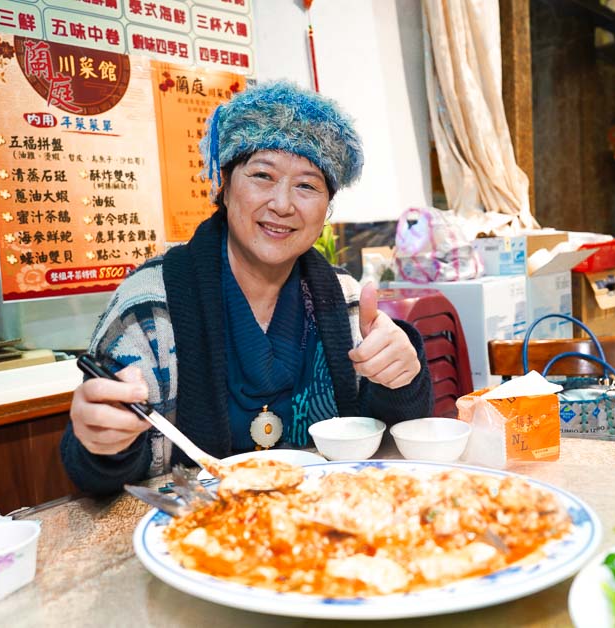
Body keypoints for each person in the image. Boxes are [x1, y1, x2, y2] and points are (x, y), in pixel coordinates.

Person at [61, 81, 433, 495]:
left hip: (323, 530)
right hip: (196, 537)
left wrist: (402, 378)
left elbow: (390, 447)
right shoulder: (151, 308)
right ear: (222, 183)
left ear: (327, 207)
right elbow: (97, 474)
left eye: (307, 185)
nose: (282, 204)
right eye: (262, 175)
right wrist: (101, 443)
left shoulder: (345, 304)